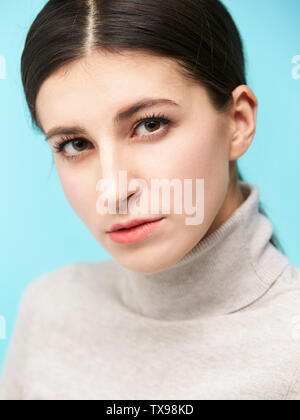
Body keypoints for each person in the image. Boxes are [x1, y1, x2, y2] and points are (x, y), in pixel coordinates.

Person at [0, 0, 299, 400]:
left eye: (150, 124)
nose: (114, 189)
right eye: (75, 143)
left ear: (238, 122)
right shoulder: (49, 310)